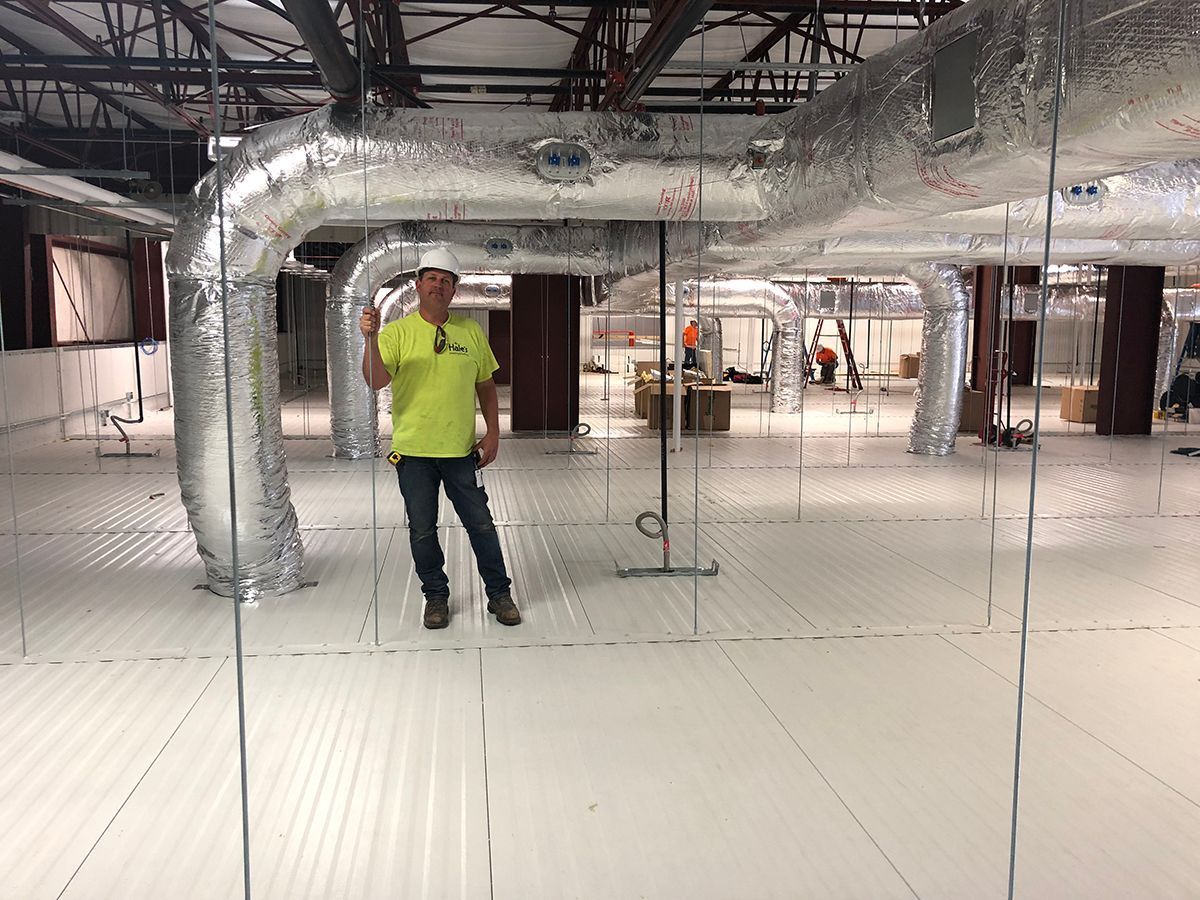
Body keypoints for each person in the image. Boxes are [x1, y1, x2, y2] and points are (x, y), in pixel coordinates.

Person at [359, 247, 521, 630]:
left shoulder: (470, 332)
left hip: (460, 451)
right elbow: (376, 380)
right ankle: (435, 597)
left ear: (453, 290)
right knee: (422, 529)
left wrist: (494, 433)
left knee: (481, 525)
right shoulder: (397, 333)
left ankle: (499, 594)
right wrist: (370, 338)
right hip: (413, 454)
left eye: (446, 280)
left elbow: (485, 384)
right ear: (418, 285)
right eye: (432, 278)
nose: (439, 285)